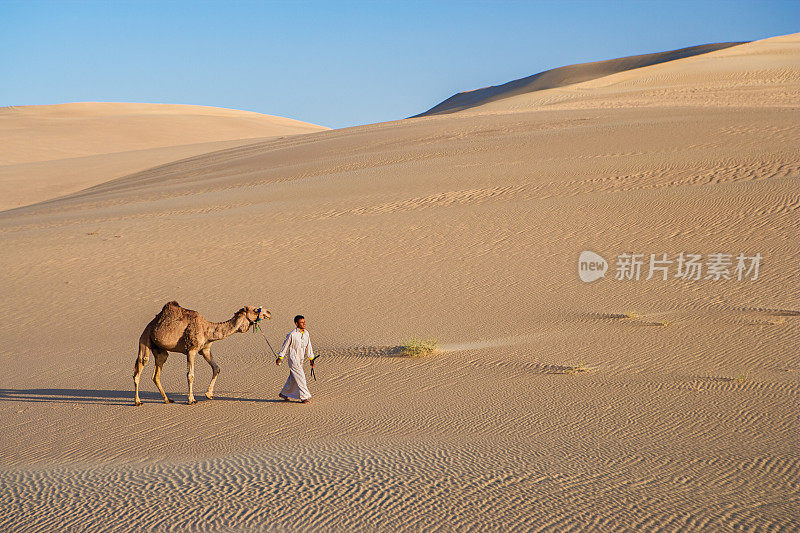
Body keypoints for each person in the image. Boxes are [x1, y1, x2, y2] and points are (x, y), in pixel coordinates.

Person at [275, 315, 315, 403]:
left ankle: (284, 393)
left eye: (304, 322)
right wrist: (280, 357)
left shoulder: (306, 333)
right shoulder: (292, 334)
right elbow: (285, 346)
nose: (304, 324)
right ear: (296, 323)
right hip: (293, 359)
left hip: (301, 358)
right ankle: (304, 397)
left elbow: (309, 346)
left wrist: (311, 359)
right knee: (301, 377)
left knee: (293, 377)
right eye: (301, 322)